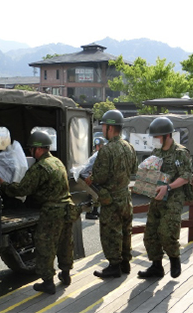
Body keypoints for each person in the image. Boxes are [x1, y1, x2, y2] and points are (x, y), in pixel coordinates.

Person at [0, 131, 77, 294]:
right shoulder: (57, 162)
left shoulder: (40, 167)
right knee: (65, 243)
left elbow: (21, 189)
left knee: (45, 245)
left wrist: (4, 185)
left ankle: (48, 282)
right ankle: (66, 273)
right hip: (67, 208)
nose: (29, 153)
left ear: (38, 149)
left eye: (31, 149)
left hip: (52, 212)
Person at [138, 117, 193, 279]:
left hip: (173, 199)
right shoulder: (157, 152)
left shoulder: (180, 153)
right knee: (150, 234)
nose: (155, 140)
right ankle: (156, 266)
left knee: (167, 232)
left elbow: (186, 177)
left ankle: (174, 259)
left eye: (157, 137)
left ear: (167, 136)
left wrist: (168, 187)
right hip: (157, 198)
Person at [85, 110, 137, 278]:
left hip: (111, 199)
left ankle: (114, 266)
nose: (103, 130)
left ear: (110, 128)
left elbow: (99, 177)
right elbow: (134, 170)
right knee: (125, 230)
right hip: (125, 196)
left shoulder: (106, 151)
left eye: (104, 127)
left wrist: (90, 179)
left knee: (111, 232)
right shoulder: (129, 147)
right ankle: (125, 263)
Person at [82, 137, 107, 220]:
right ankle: (89, 212)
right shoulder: (97, 155)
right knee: (94, 195)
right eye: (99, 146)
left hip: (91, 177)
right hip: (87, 177)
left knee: (96, 195)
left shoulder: (97, 154)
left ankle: (95, 211)